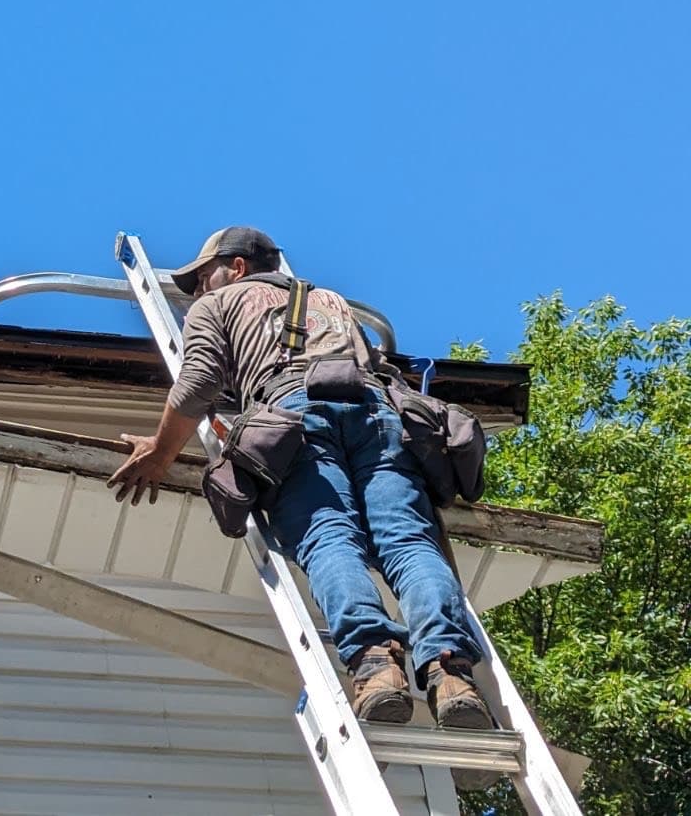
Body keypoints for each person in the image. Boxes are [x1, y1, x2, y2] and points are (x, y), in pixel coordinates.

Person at [106, 227, 493, 734]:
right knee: (409, 542)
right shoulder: (330, 300)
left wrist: (160, 452)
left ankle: (377, 667)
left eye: (202, 278)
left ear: (236, 267)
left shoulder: (218, 305)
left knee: (329, 535)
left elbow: (199, 381)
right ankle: (451, 673)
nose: (198, 292)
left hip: (295, 414)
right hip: (376, 415)